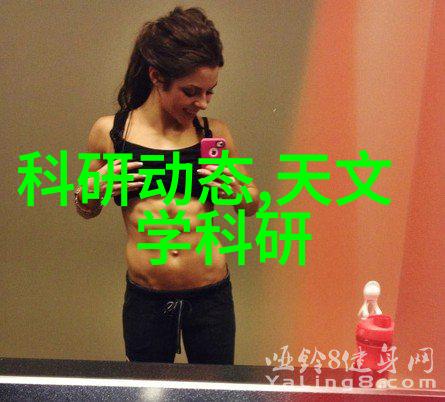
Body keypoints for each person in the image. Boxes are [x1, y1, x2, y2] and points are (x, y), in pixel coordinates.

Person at [74, 6, 259, 364]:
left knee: (215, 388)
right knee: (148, 389)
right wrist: (92, 189)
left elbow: (253, 203)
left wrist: (238, 192)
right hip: (147, 298)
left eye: (209, 92)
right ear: (157, 76)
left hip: (210, 296)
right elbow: (85, 208)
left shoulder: (213, 132)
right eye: (191, 91)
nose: (201, 102)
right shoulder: (110, 132)